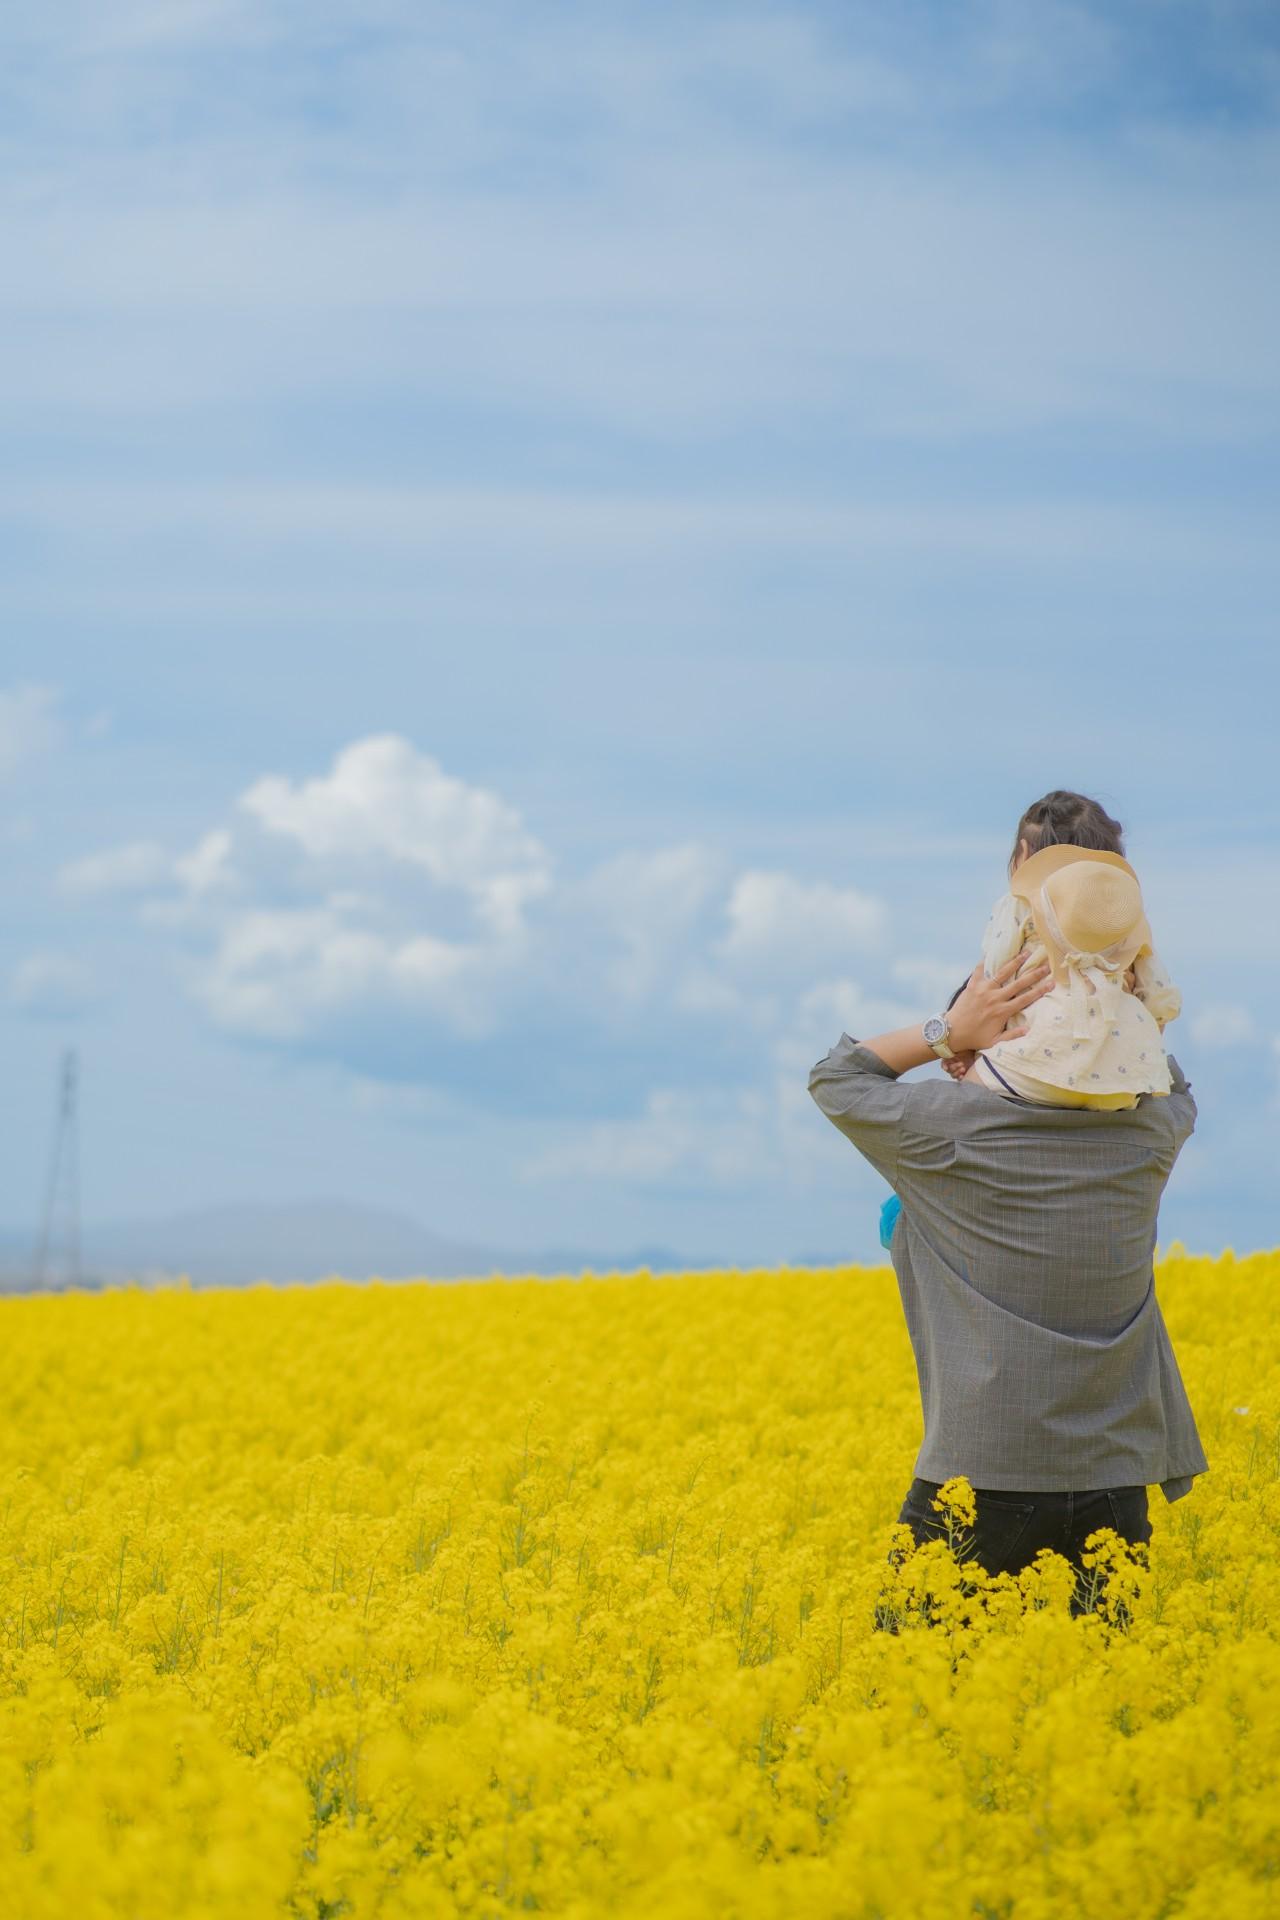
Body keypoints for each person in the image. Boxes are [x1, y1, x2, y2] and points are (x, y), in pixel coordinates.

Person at [807, 947, 1208, 1608]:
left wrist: (947, 1031)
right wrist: (1109, 1002)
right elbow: (1174, 1088)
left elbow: (838, 1077)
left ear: (961, 1059)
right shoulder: (1145, 1137)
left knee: (909, 1696)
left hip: (983, 1479)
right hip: (1117, 1484)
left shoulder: (948, 1133)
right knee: (1092, 1700)